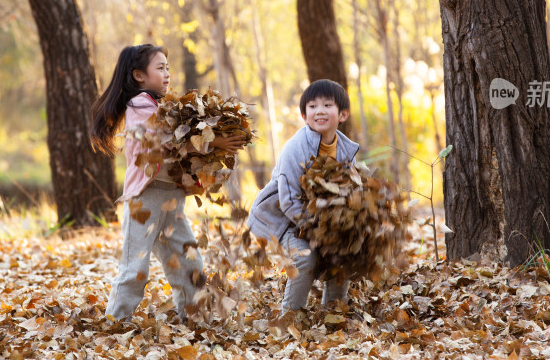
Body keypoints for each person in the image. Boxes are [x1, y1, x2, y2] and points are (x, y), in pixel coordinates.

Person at [90, 44, 244, 321]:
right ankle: (115, 321)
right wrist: (212, 141)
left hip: (172, 200)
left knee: (190, 261)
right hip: (144, 201)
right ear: (139, 75)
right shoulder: (139, 106)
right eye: (160, 68)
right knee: (135, 269)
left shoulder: (165, 106)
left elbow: (180, 142)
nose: (167, 73)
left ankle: (192, 317)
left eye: (168, 67)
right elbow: (165, 142)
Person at [247, 79, 359, 314]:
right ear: (303, 115)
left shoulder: (346, 151)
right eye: (312, 106)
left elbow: (350, 189)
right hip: (282, 220)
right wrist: (319, 231)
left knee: (342, 253)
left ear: (343, 114)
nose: (319, 110)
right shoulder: (295, 148)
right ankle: (290, 315)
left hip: (318, 222)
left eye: (328, 105)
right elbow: (288, 200)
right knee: (306, 259)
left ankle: (334, 311)